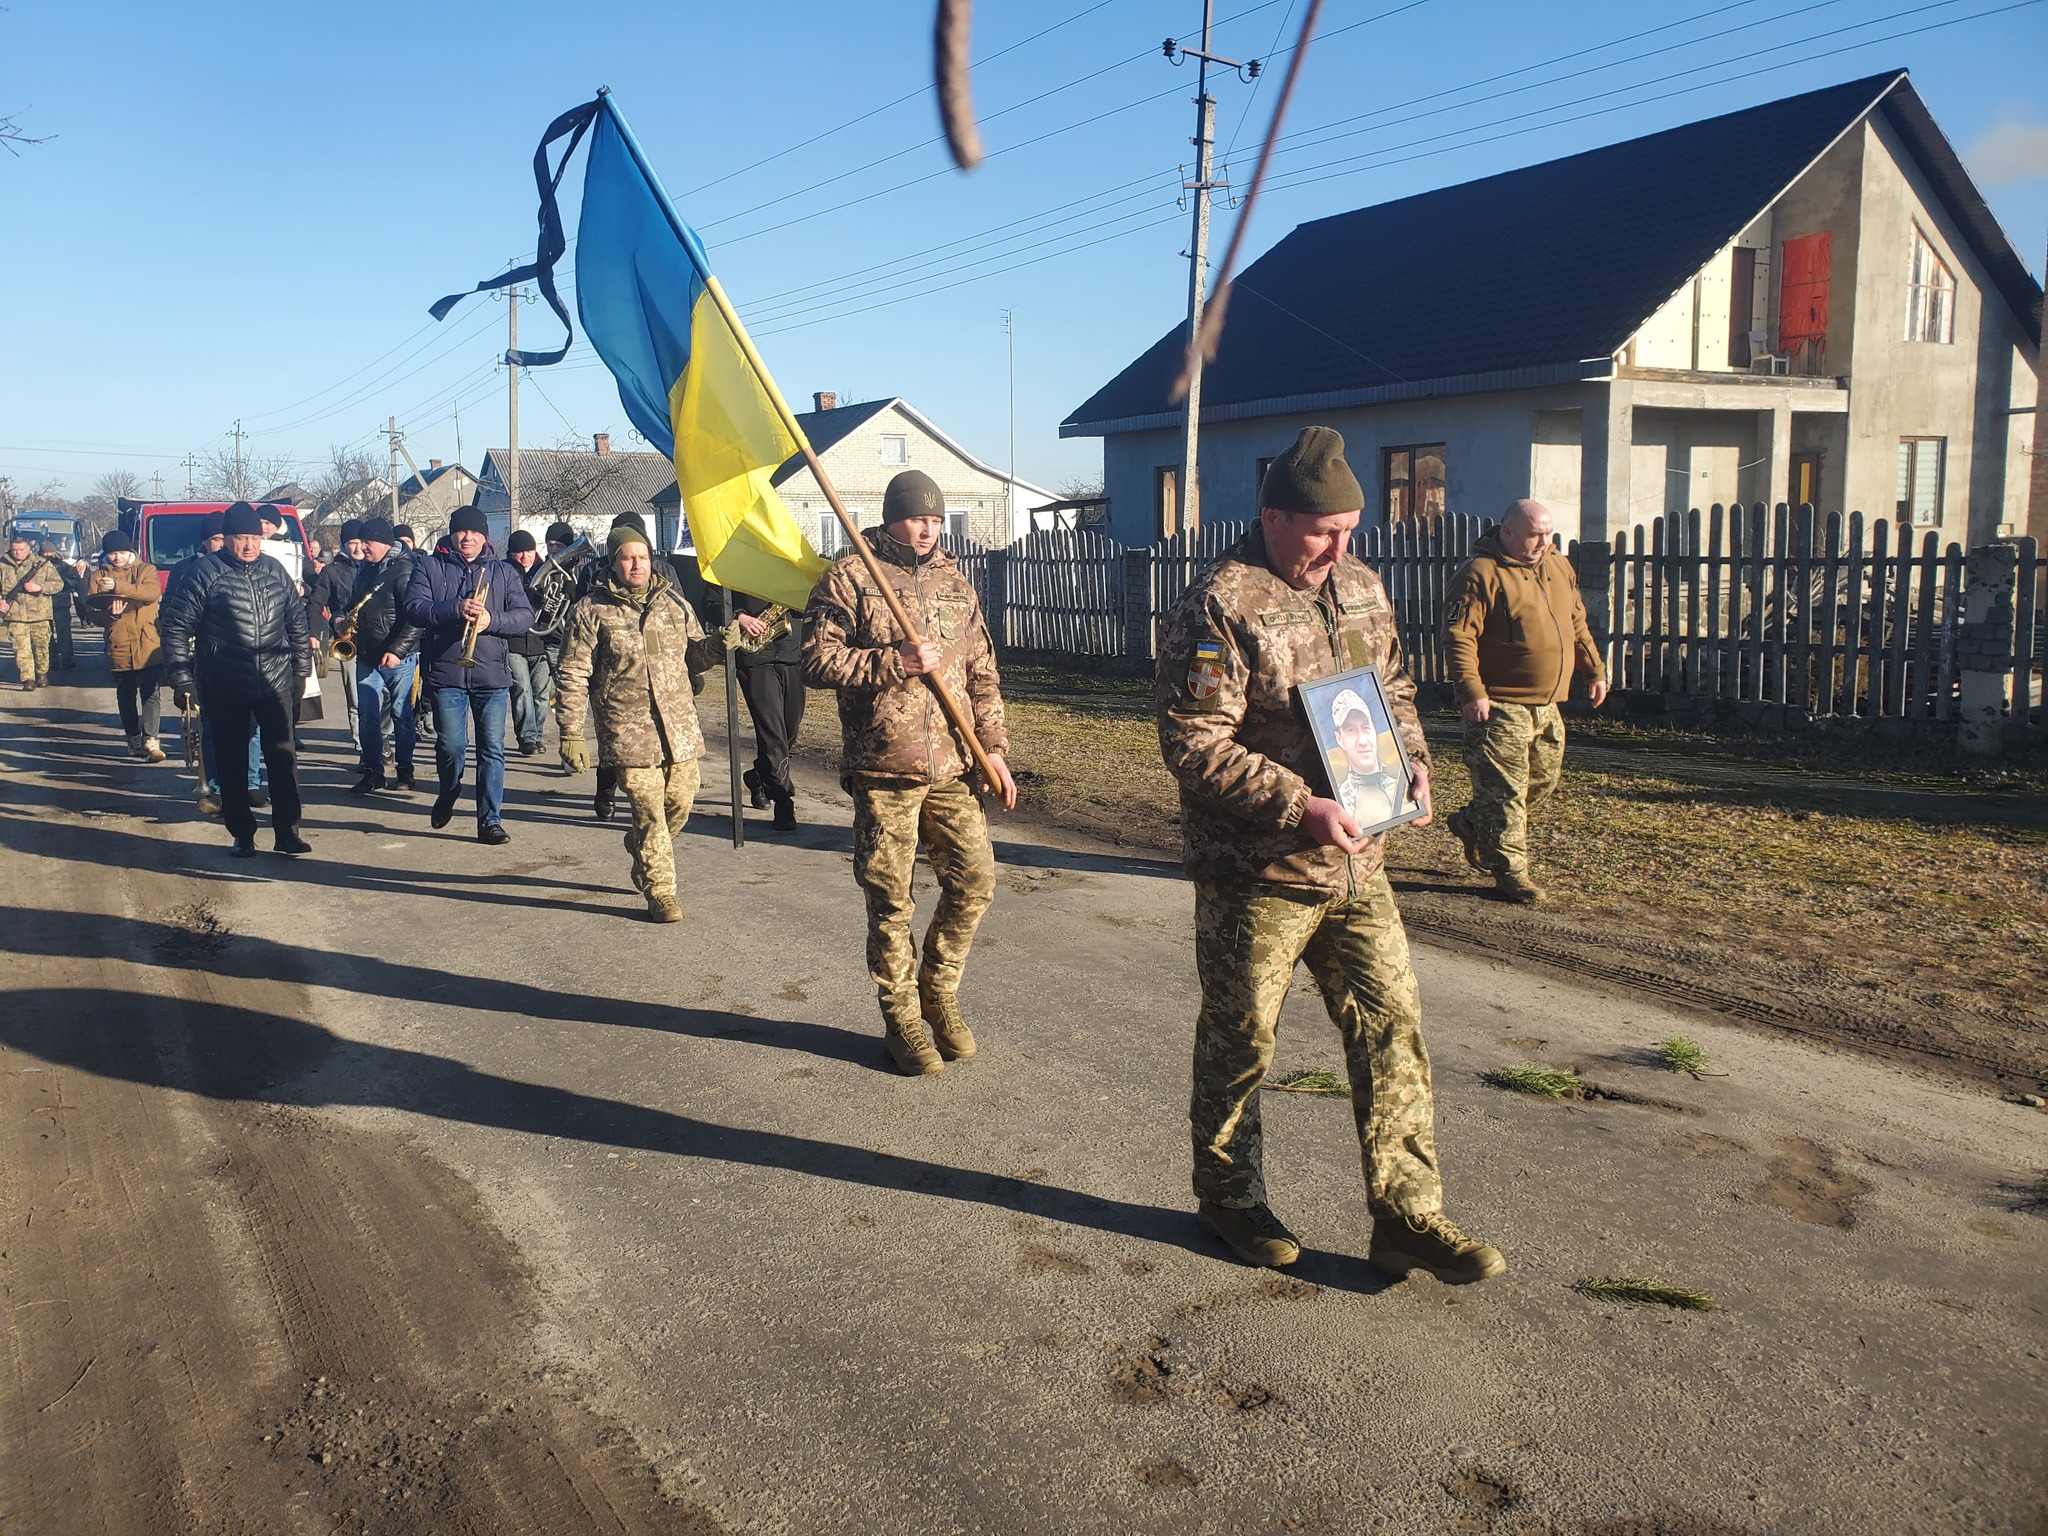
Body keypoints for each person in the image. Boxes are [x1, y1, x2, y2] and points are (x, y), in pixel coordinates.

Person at [1156, 425, 1504, 1285]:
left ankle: (1408, 1216)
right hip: (1259, 872)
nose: (1338, 549)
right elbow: (1194, 742)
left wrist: (1414, 765)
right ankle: (1230, 1198)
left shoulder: (1359, 584)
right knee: (1242, 1041)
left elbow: (1393, 692)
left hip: (1360, 866)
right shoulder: (1220, 602)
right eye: (1322, 532)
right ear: (1273, 516)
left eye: (1350, 530)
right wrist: (1298, 805)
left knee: (1393, 1030)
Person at [802, 469, 1017, 1076]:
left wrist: (992, 746)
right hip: (883, 767)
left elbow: (981, 670)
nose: (926, 529)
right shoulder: (851, 578)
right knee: (891, 900)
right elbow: (816, 659)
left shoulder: (955, 583)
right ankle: (900, 1019)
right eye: (916, 517)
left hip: (952, 764)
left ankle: (938, 993)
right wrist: (891, 660)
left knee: (974, 881)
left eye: (935, 519)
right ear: (893, 516)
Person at [1442, 497, 1609, 905]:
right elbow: (1459, 636)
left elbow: (1575, 621)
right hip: (1499, 703)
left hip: (1547, 702)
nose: (1543, 542)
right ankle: (1509, 871)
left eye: (1548, 533)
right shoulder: (1479, 574)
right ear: (1508, 531)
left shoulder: (1558, 565)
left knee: (1543, 779)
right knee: (1506, 791)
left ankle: (1473, 822)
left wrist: (1594, 669)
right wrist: (1472, 691)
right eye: (1535, 534)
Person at [555, 522, 725, 922]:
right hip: (627, 730)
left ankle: (639, 845)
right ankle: (661, 893)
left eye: (643, 557)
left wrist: (721, 644)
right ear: (613, 563)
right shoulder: (591, 610)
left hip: (679, 729)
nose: (637, 565)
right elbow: (572, 673)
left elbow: (694, 659)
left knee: (679, 805)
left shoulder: (675, 605)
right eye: (627, 558)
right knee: (650, 813)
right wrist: (571, 731)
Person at [160, 502, 312, 858]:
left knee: (283, 758)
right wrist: (182, 678)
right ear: (226, 539)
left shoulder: (275, 571)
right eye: (240, 538)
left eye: (254, 538)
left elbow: (297, 625)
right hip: (223, 681)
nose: (248, 546)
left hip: (274, 680)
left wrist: (301, 670)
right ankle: (242, 833)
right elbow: (175, 627)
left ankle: (288, 832)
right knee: (231, 761)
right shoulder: (204, 573)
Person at [402, 504, 533, 844]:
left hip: (491, 675)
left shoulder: (503, 572)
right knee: (451, 746)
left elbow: (524, 616)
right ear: (451, 533)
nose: (468, 538)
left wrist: (493, 621)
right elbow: (414, 609)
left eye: (475, 532)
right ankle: (449, 789)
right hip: (447, 674)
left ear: (485, 537)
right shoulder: (429, 566)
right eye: (462, 531)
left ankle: (490, 820)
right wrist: (454, 608)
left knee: (492, 749)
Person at [345, 517, 420, 795]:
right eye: (361, 542)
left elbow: (415, 618)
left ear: (385, 543)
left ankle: (405, 770)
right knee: (367, 715)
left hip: (398, 658)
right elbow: (350, 605)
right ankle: (373, 771)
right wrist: (340, 620)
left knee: (402, 716)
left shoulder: (403, 570)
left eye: (368, 543)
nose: (362, 547)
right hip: (366, 655)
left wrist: (397, 650)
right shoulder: (363, 569)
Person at [722, 585, 805, 831]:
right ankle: (782, 800)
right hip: (754, 656)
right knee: (772, 734)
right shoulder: (733, 559)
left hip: (792, 654)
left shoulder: (794, 560)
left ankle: (759, 775)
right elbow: (713, 601)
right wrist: (739, 617)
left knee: (790, 730)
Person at [85, 530, 167, 761]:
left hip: (148, 642)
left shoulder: (146, 570)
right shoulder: (97, 577)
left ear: (130, 551)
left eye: (121, 552)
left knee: (151, 693)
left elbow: (151, 593)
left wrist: (117, 586)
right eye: (112, 553)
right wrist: (110, 615)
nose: (117, 558)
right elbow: (92, 613)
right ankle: (133, 736)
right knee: (126, 694)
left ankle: (151, 739)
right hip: (118, 642)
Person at [311, 518, 365, 739]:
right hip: (347, 639)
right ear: (344, 544)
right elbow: (315, 605)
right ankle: (362, 744)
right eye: (352, 542)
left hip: (378, 638)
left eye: (362, 541)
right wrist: (324, 627)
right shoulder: (331, 572)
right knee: (356, 697)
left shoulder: (380, 568)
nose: (358, 547)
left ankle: (382, 740)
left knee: (383, 696)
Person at [502, 529, 553, 757]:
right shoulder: (503, 572)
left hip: (541, 639)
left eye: (529, 550)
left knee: (541, 694)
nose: (525, 556)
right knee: (521, 690)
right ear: (511, 553)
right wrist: (527, 595)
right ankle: (527, 738)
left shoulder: (547, 572)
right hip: (513, 642)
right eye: (519, 552)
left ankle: (538, 734)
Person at [1328, 688, 1405, 828]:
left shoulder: (1402, 785)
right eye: (1351, 730)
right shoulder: (1341, 802)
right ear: (1339, 739)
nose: (1362, 741)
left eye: (1365, 727)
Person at [0, 532, 62, 689]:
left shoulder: (41, 564)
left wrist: (40, 587)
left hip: (39, 615)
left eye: (21, 549)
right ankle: (27, 679)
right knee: (21, 649)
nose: (18, 553)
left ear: (28, 548)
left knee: (41, 648)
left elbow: (58, 584)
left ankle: (41, 673)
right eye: (15, 550)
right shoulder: (2, 565)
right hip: (14, 615)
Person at [46, 547, 82, 672]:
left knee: (64, 634)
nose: (48, 554)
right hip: (42, 606)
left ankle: (67, 659)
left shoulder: (65, 566)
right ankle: (51, 661)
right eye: (44, 553)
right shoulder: (37, 567)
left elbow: (75, 581)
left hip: (61, 604)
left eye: (49, 552)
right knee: (46, 636)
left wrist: (61, 584)